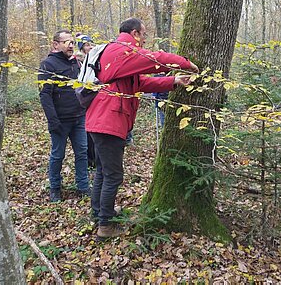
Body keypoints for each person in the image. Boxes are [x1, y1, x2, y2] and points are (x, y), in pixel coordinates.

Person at [86, 18, 198, 240]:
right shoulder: (122, 50)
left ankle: (100, 213)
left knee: (103, 171)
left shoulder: (118, 55)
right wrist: (185, 63)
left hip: (101, 120)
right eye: (143, 34)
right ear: (135, 33)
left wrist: (174, 81)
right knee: (113, 175)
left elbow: (143, 83)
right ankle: (105, 226)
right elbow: (154, 60)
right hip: (109, 122)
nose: (145, 39)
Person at [38, 30, 90, 202]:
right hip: (60, 120)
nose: (70, 45)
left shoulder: (76, 63)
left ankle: (83, 186)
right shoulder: (47, 65)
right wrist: (53, 121)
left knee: (82, 152)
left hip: (79, 117)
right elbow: (45, 95)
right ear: (55, 44)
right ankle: (55, 188)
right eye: (66, 42)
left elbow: (82, 87)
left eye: (72, 42)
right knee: (57, 155)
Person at [76, 33, 96, 167]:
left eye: (90, 44)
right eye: (86, 45)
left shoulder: (94, 59)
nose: (89, 47)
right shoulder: (78, 61)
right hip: (83, 100)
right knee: (86, 133)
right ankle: (89, 160)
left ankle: (94, 158)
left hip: (95, 100)